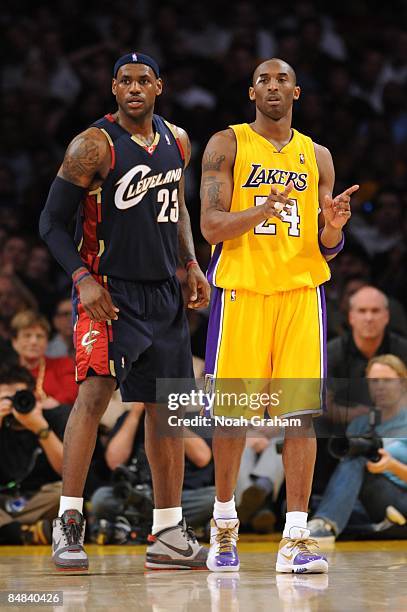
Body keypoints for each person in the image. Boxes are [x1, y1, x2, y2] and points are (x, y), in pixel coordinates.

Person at [39, 52, 210, 571]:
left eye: (144, 80)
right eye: (125, 80)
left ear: (160, 86)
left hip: (163, 294)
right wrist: (83, 279)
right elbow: (49, 222)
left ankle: (168, 532)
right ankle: (68, 522)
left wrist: (191, 262)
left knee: (169, 409)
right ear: (114, 88)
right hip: (109, 293)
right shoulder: (93, 145)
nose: (135, 87)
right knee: (92, 398)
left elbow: (177, 205)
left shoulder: (178, 141)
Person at [200, 57, 359, 573]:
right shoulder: (227, 144)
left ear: (298, 92)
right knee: (231, 418)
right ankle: (224, 525)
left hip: (299, 293)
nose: (273, 86)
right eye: (264, 79)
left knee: (299, 417)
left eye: (282, 79)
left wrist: (332, 228)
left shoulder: (318, 156)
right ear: (251, 92)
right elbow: (210, 227)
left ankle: (295, 538)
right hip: (242, 291)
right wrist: (259, 211)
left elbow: (326, 243)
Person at [308, 355, 407, 540]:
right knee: (314, 502)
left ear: (402, 383)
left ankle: (326, 526)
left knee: (359, 459)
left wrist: (391, 465)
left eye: (387, 380)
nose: (380, 387)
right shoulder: (360, 424)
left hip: (400, 497)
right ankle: (380, 527)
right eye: (374, 381)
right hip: (368, 501)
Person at [90, 404, 215, 538]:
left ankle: (133, 527)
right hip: (136, 497)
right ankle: (166, 526)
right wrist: (135, 414)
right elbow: (114, 461)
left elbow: (202, 457)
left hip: (179, 498)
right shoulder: (129, 418)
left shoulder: (190, 417)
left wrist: (169, 417)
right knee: (100, 498)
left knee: (214, 497)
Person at [0, 363, 70, 545]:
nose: (13, 404)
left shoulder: (54, 418)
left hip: (39, 500)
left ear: (35, 398)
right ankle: (27, 532)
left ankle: (10, 531)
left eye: (19, 397)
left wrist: (40, 428)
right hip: (3, 501)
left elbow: (69, 472)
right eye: (5, 399)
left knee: (63, 492)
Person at [10, 310, 77, 407]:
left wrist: (52, 403)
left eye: (40, 336)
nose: (34, 341)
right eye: (27, 335)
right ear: (15, 342)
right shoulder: (6, 373)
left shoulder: (63, 365)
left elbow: (72, 392)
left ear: (47, 342)